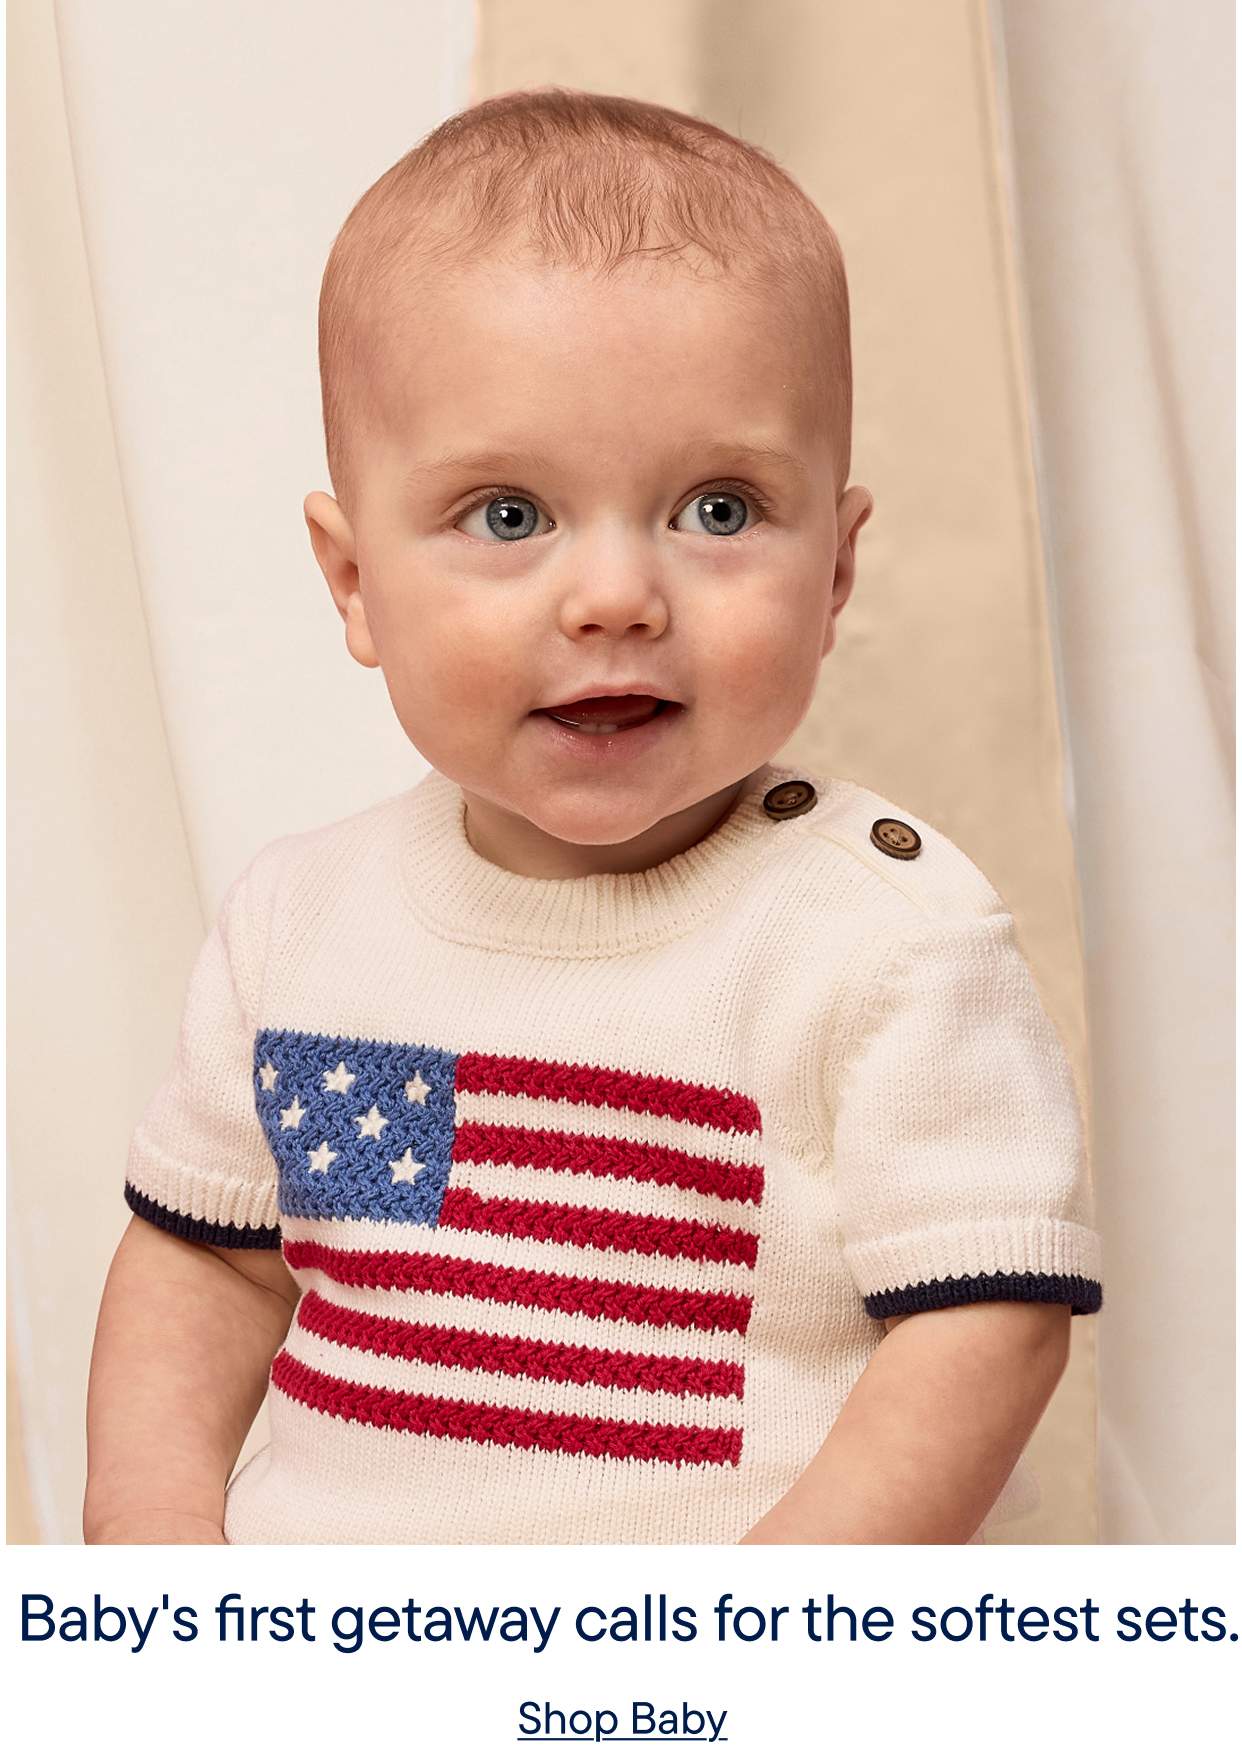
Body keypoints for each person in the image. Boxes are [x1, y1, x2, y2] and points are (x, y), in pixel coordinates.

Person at [83, 86, 1102, 1546]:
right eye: (508, 515)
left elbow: (984, 1324)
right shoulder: (310, 925)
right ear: (354, 581)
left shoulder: (887, 944)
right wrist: (154, 1545)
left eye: (718, 509)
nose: (616, 595)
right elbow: (218, 1264)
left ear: (834, 572)